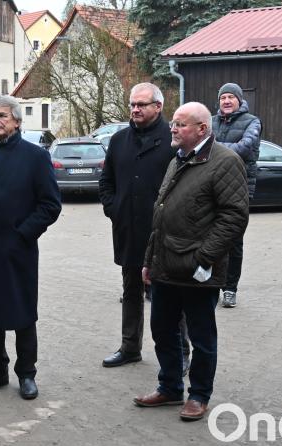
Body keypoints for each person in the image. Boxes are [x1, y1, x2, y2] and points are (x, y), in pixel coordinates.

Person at [134, 102, 249, 422]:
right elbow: (161, 216)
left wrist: (204, 258)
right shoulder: (179, 159)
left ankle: (199, 395)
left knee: (201, 335)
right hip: (165, 266)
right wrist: (149, 260)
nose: (173, 128)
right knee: (162, 329)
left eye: (180, 124)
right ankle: (170, 387)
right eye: (173, 123)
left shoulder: (225, 162)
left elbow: (234, 217)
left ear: (202, 129)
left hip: (198, 271)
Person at [0, 95, 61, 400]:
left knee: (21, 314)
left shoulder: (35, 157)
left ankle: (27, 373)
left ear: (17, 121)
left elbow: (50, 205)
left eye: (2, 115)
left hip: (18, 251)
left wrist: (22, 235)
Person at [98, 82, 174, 368]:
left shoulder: (173, 138)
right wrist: (113, 208)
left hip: (164, 234)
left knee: (168, 296)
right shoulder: (119, 141)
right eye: (132, 104)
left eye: (141, 104)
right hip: (128, 229)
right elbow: (106, 181)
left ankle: (180, 352)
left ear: (158, 106)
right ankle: (130, 347)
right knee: (131, 291)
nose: (135, 109)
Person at [211, 83, 262, 308]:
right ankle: (210, 283)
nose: (227, 101)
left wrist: (211, 147)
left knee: (233, 242)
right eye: (223, 97)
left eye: (231, 97)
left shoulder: (252, 121)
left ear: (239, 101)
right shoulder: (210, 121)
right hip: (210, 187)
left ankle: (230, 288)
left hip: (239, 189)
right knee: (208, 236)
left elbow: (244, 147)